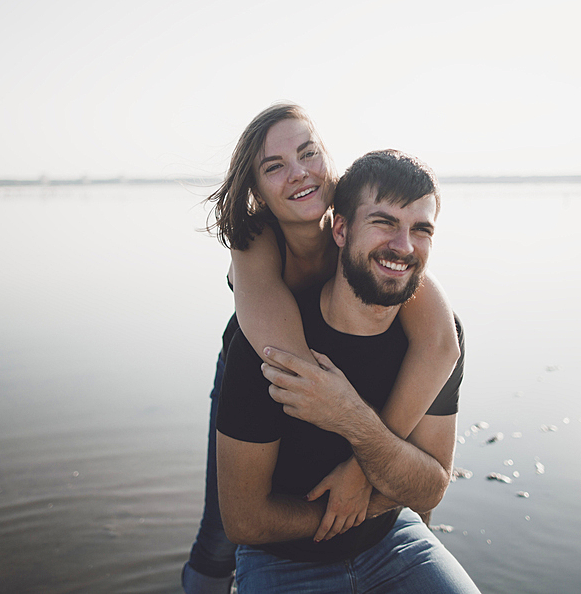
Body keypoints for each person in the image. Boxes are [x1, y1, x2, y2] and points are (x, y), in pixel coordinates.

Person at [183, 105, 461, 593]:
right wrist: (357, 441)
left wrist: (362, 467)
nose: (299, 172)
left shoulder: (368, 234)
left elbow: (441, 342)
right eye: (274, 166)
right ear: (257, 191)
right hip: (262, 363)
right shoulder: (257, 243)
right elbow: (291, 369)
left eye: (308, 153)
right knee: (219, 535)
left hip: (327, 376)